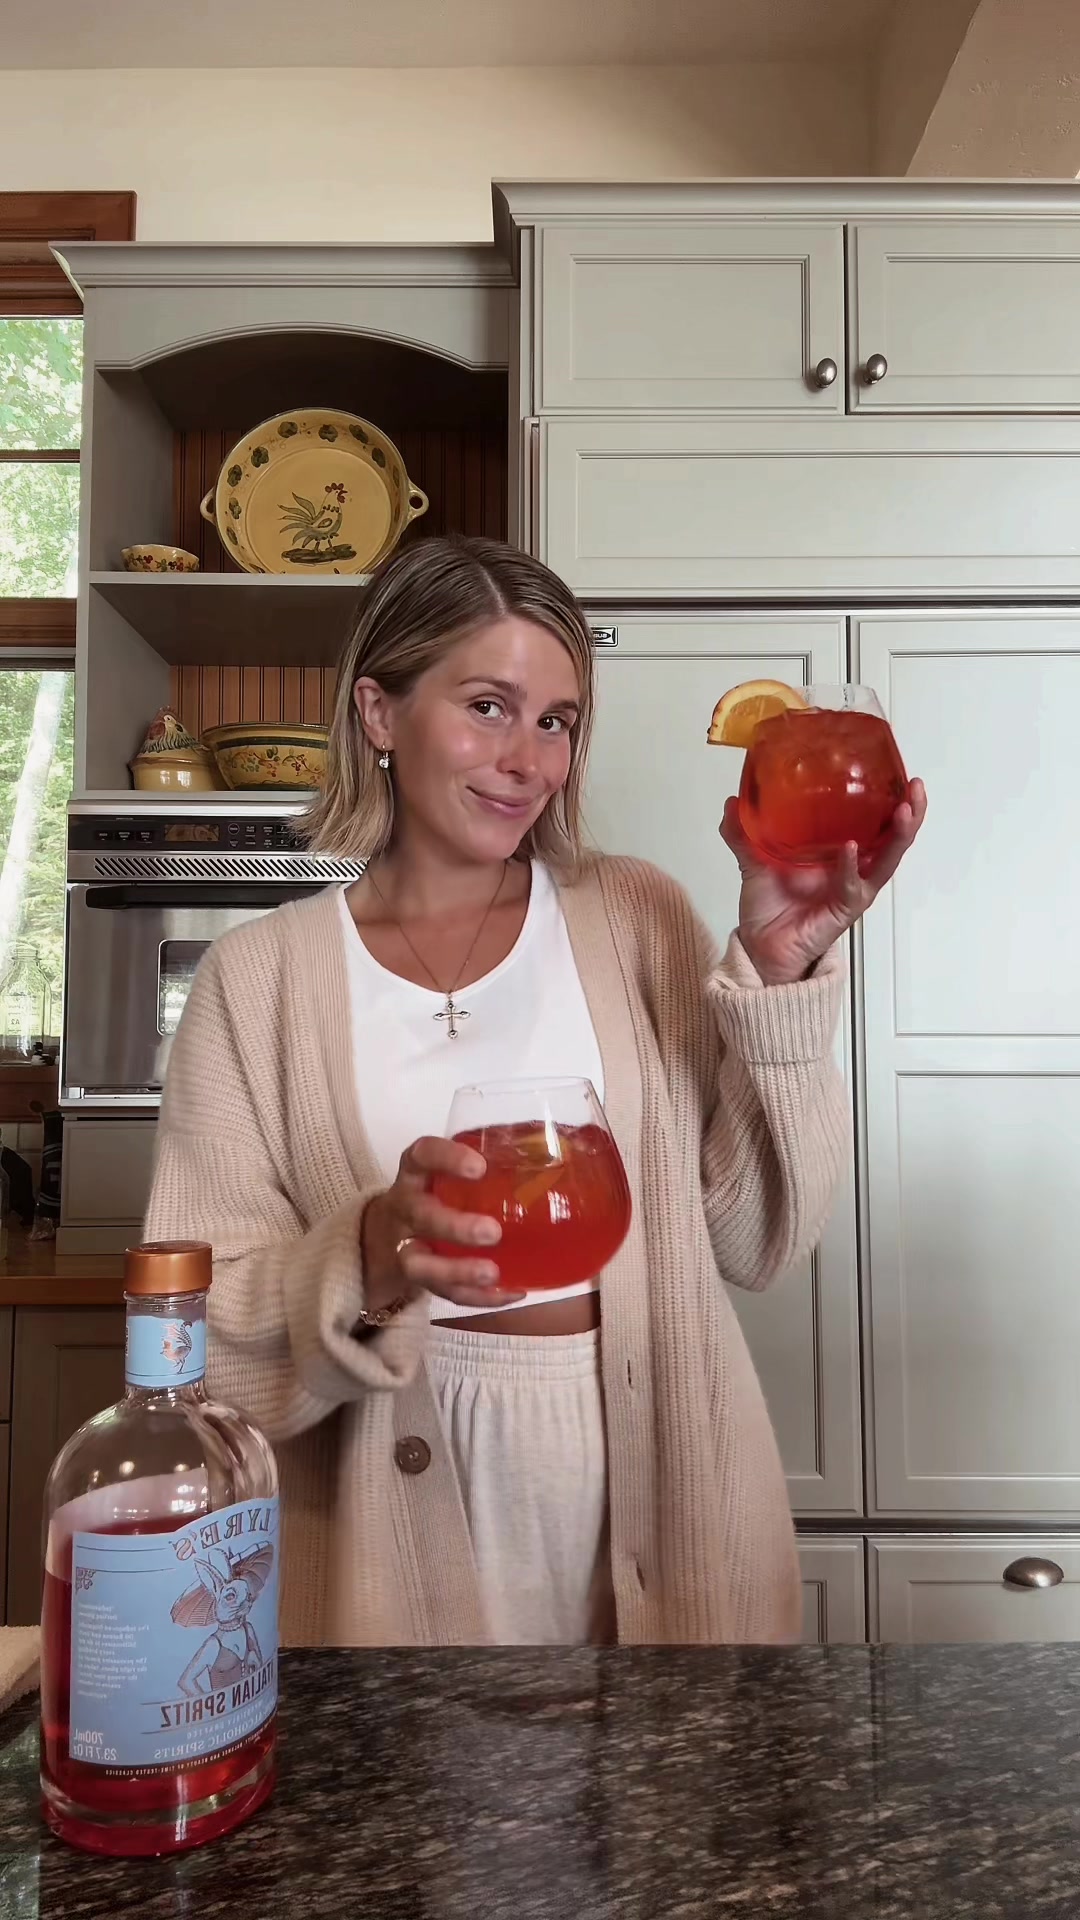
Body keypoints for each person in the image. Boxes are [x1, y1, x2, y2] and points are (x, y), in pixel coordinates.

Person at [145, 536, 925, 1648]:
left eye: (556, 721)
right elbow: (193, 1344)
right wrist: (369, 1254)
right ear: (379, 712)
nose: (529, 760)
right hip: (375, 1534)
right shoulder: (256, 980)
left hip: (664, 1504)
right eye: (488, 707)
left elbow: (756, 1241)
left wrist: (779, 969)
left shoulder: (637, 917)